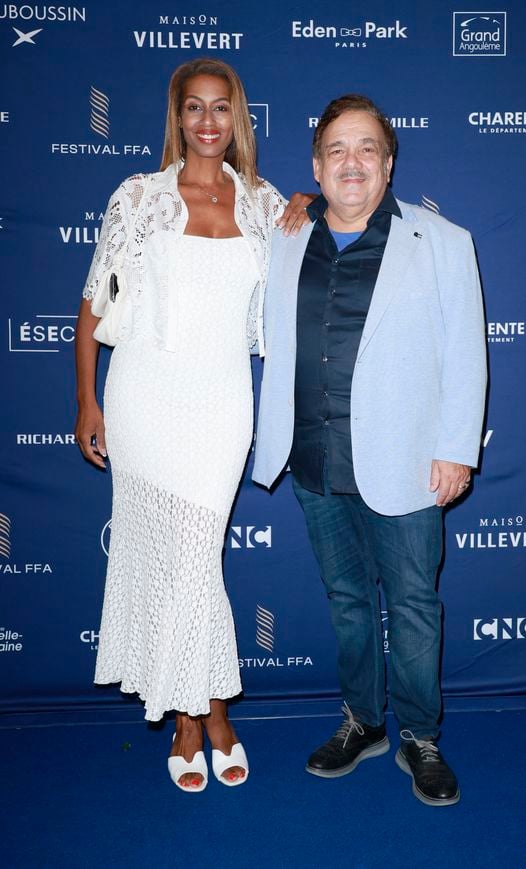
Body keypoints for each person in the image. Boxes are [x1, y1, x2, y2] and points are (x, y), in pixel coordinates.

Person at [74, 58, 310, 792]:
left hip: (220, 403)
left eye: (221, 108)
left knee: (196, 558)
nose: (207, 122)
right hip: (145, 396)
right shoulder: (138, 197)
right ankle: (201, 718)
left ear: (238, 117)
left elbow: (314, 246)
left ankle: (195, 710)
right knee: (177, 563)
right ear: (176, 117)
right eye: (193, 108)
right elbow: (91, 306)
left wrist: (303, 204)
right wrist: (89, 402)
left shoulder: (262, 203)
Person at [253, 94, 487, 806]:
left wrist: (457, 449)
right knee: (349, 602)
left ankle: (420, 733)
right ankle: (364, 719)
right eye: (336, 151)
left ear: (388, 164)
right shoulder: (284, 235)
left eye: (366, 150)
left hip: (409, 461)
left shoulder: (443, 241)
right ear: (316, 166)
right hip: (316, 460)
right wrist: (293, 204)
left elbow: (465, 352)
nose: (350, 163)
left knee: (413, 605)